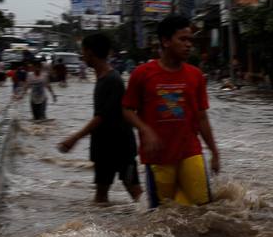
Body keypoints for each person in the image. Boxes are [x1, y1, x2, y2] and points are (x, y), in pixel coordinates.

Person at [122, 15, 222, 207]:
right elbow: (127, 110)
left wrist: (214, 152)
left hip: (190, 152)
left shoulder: (196, 76)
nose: (188, 45)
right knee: (163, 217)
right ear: (166, 41)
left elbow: (202, 118)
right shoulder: (142, 74)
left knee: (204, 210)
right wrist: (145, 130)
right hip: (158, 158)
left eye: (190, 40)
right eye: (182, 39)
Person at [59, 32, 146, 204]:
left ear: (90, 52)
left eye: (83, 51)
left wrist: (75, 138)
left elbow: (101, 117)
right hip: (104, 147)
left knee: (137, 194)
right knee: (101, 197)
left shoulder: (112, 80)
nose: (82, 56)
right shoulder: (103, 78)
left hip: (121, 148)